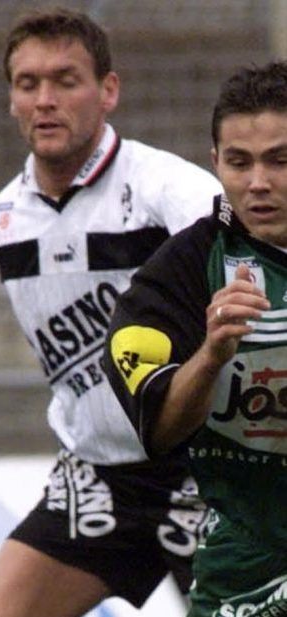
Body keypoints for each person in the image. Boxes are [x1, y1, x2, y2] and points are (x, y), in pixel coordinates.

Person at [0, 8, 222, 617]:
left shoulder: (169, 190)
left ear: (108, 91)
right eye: (28, 83)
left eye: (66, 80)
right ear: (11, 100)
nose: (45, 100)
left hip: (208, 471)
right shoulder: (3, 218)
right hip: (101, 481)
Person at [104, 61, 287, 617]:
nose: (258, 182)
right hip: (246, 557)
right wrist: (211, 354)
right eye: (239, 162)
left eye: (280, 160)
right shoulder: (185, 270)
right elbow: (160, 429)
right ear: (215, 163)